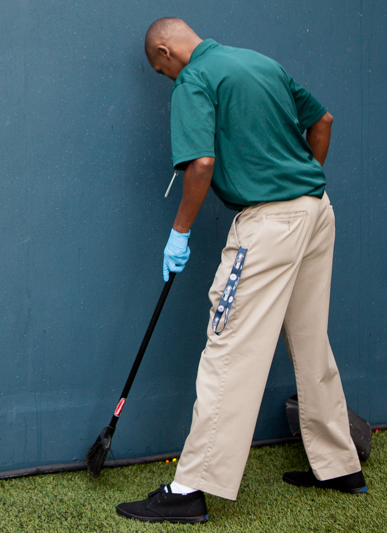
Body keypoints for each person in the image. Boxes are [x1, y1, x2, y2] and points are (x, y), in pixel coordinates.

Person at [115, 18, 366, 524]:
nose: (164, 77)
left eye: (158, 68)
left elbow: (201, 165)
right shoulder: (258, 61)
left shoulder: (194, 79)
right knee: (310, 339)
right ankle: (340, 466)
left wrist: (180, 233)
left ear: (165, 51)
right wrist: (302, 184)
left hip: (269, 224)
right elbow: (324, 122)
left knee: (229, 348)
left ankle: (190, 489)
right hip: (316, 211)